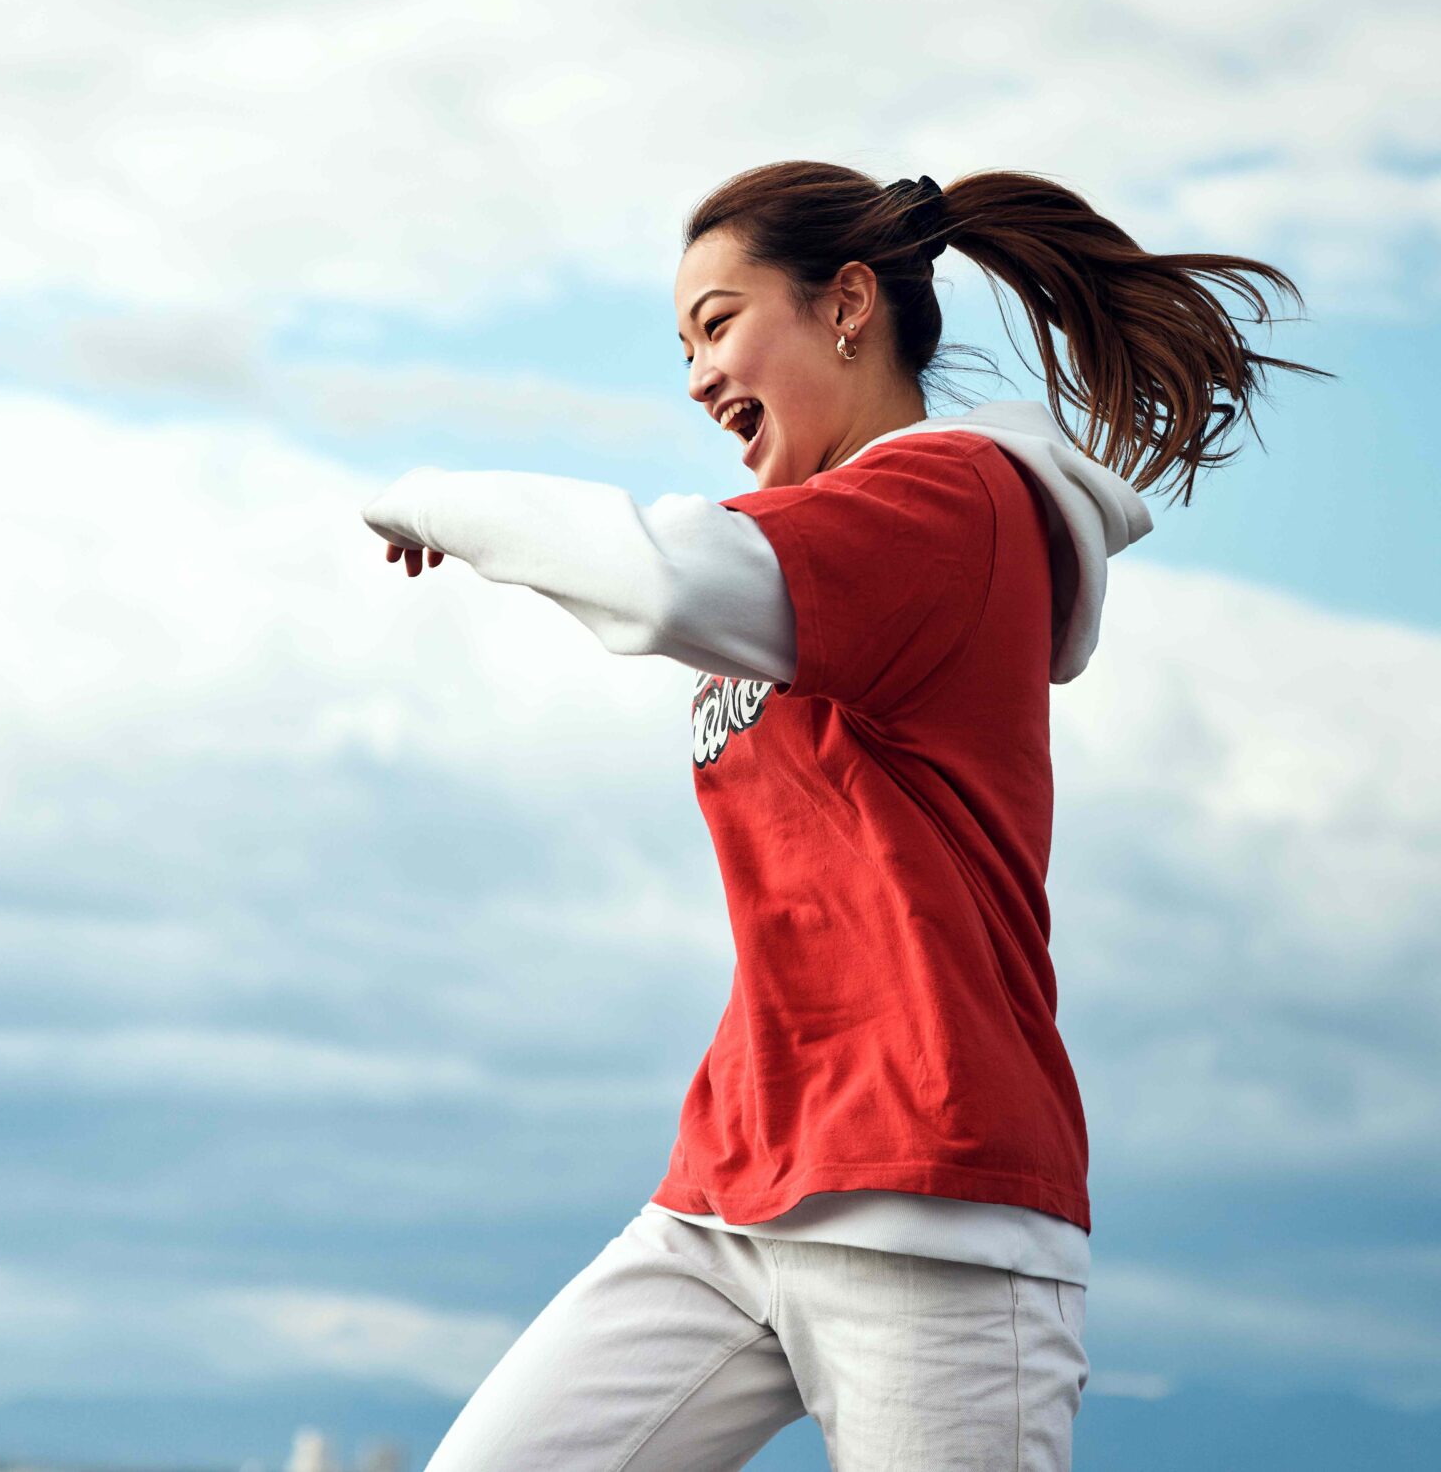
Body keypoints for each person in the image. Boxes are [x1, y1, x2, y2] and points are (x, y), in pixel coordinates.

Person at [362, 163, 1327, 1471]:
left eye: (717, 323)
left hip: (935, 1202)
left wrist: (435, 495)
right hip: (733, 1189)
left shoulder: (948, 501)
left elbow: (663, 579)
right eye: (683, 347)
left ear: (848, 305)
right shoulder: (823, 531)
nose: (697, 376)